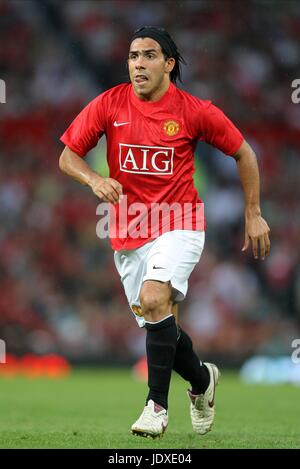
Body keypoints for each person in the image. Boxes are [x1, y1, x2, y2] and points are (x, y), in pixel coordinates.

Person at [59, 26, 271, 439]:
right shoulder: (108, 103)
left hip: (181, 222)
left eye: (149, 55)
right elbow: (68, 156)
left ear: (168, 65)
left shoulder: (194, 111)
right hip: (128, 231)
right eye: (133, 55)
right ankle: (202, 381)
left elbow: (243, 152)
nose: (138, 63)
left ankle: (155, 407)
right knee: (161, 327)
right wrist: (93, 180)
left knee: (154, 299)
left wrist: (253, 211)